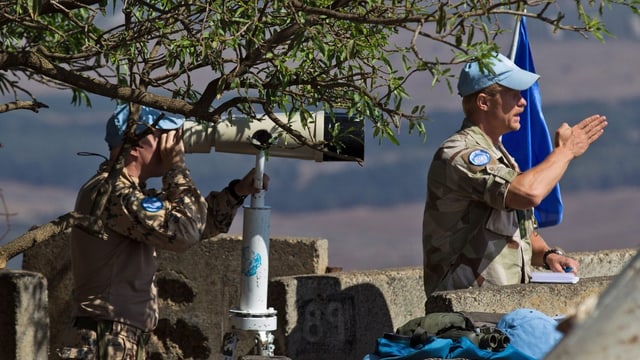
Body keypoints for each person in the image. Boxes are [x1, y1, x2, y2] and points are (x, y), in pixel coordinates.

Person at [58, 104, 268, 359]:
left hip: (114, 338)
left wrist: (236, 193)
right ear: (134, 144)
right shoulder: (111, 192)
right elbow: (184, 233)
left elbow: (191, 223)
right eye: (162, 136)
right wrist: (175, 167)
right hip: (105, 339)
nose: (171, 143)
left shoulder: (127, 193)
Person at [422, 53, 607, 299]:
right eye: (513, 94)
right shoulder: (460, 154)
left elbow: (521, 232)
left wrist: (548, 255)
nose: (523, 103)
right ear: (483, 102)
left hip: (503, 308)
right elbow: (528, 194)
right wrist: (566, 152)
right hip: (466, 312)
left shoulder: (501, 155)